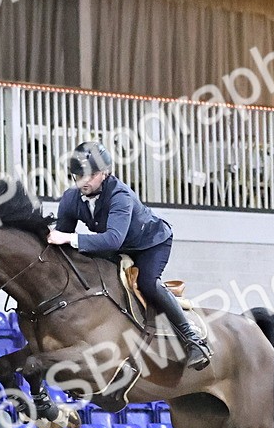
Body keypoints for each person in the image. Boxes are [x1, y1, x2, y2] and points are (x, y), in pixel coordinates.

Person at [46, 141, 211, 370]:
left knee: (147, 283)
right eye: (78, 176)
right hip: (117, 245)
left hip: (150, 243)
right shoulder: (71, 198)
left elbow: (113, 239)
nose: (83, 182)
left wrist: (70, 239)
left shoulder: (120, 195)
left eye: (90, 176)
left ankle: (193, 338)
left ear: (104, 173)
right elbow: (62, 236)